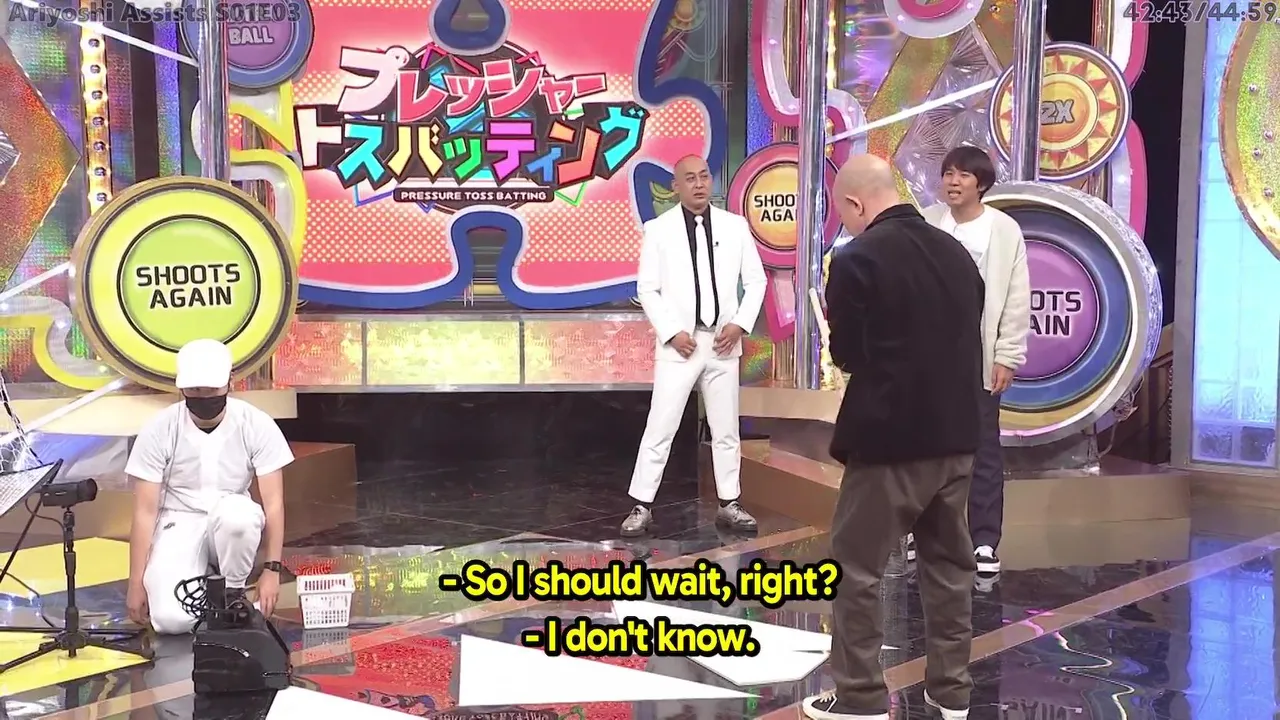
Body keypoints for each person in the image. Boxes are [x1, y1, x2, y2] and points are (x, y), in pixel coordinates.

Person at [803, 155, 983, 720]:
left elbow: (849, 354)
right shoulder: (956, 252)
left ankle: (860, 698)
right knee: (949, 568)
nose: (846, 224)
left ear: (855, 204)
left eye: (843, 213)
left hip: (890, 440)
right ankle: (951, 692)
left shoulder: (857, 259)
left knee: (856, 569)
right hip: (957, 434)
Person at [622, 154, 767, 537]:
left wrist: (739, 325)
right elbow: (647, 289)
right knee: (661, 425)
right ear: (676, 187)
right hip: (680, 345)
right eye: (690, 178)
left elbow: (756, 281)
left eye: (704, 176)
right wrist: (672, 332)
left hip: (723, 343)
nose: (700, 183)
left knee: (725, 429)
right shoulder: (659, 230)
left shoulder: (735, 227)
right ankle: (642, 505)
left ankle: (730, 502)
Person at [125, 338, 294, 634]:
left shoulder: (255, 424)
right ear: (181, 387)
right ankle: (202, 573)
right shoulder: (159, 429)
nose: (203, 397)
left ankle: (232, 592)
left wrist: (272, 569)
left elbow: (274, 504)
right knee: (171, 621)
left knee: (239, 518)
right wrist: (135, 582)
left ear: (230, 381)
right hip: (178, 521)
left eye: (211, 389)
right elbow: (144, 512)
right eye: (194, 390)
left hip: (230, 514)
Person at [919, 145, 1030, 576]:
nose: (953, 181)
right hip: (929, 357)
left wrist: (1007, 355)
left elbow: (1017, 299)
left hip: (979, 357)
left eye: (963, 175)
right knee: (924, 448)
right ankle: (920, 532)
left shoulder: (1003, 230)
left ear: (981, 184)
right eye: (948, 173)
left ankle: (984, 541)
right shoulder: (928, 222)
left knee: (983, 449)